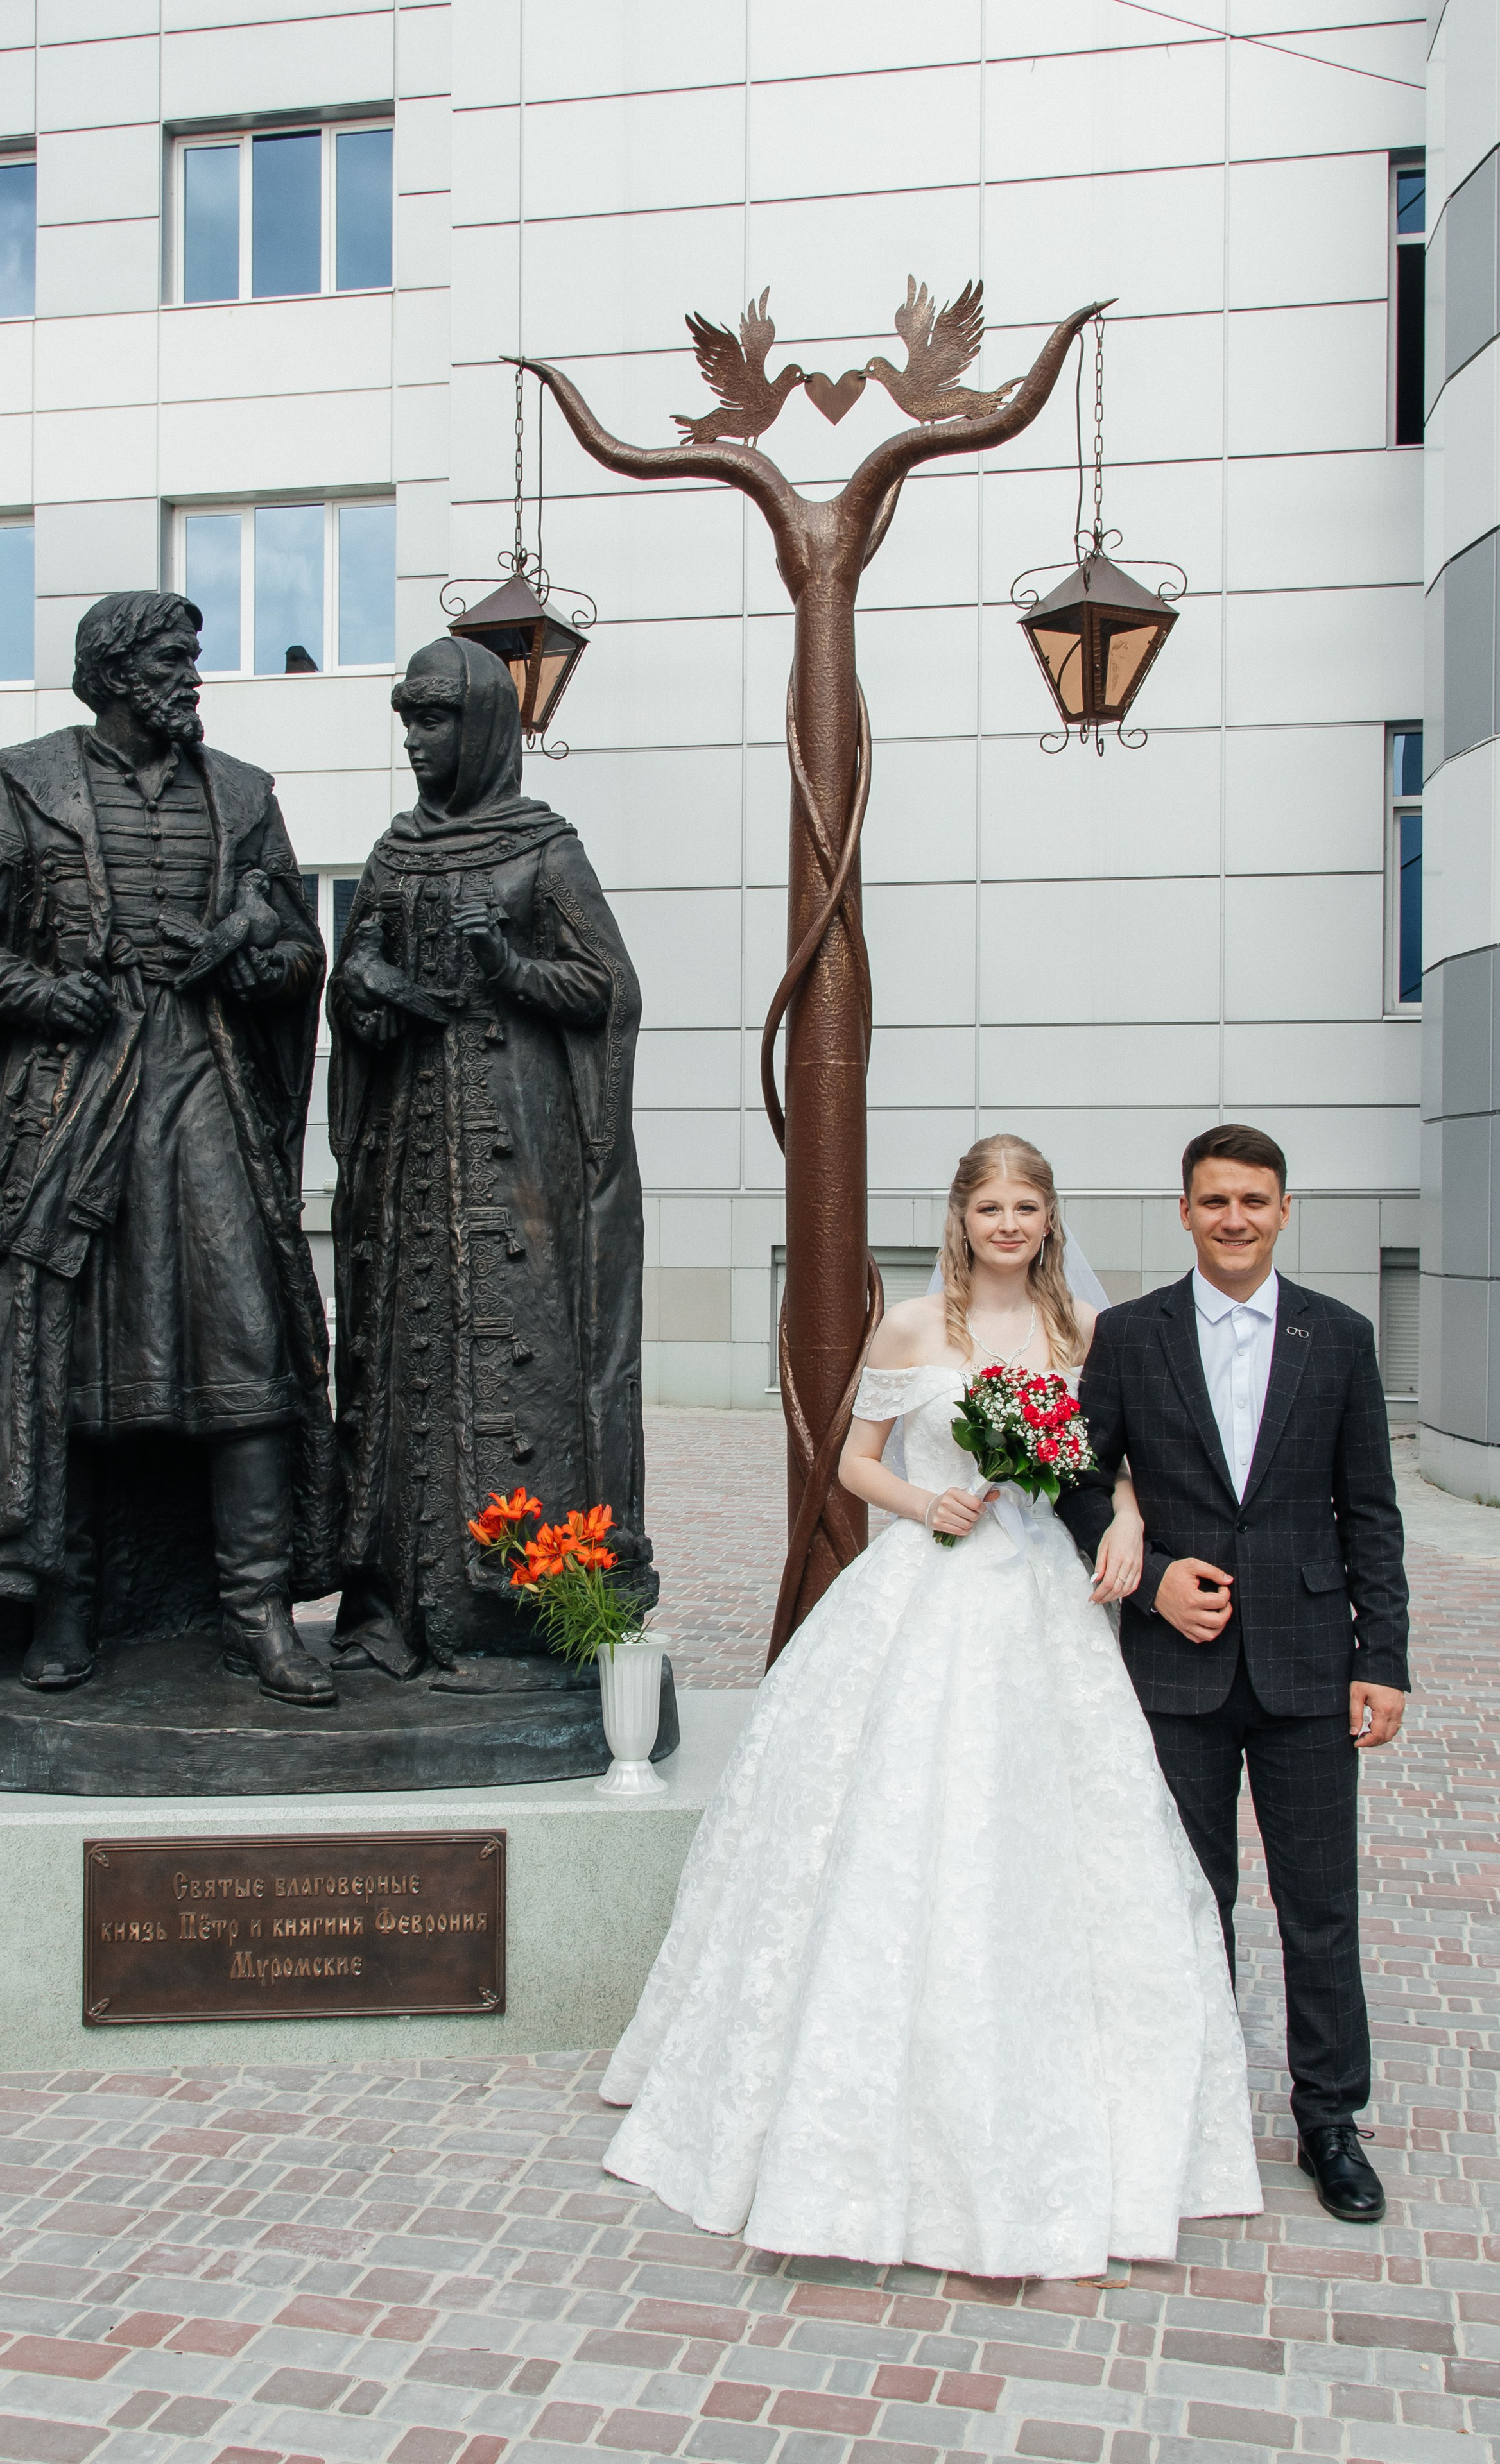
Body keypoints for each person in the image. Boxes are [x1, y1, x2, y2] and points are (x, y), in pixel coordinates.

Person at [599, 1134, 1261, 2279]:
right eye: (991, 1207)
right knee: (895, 1819)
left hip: (1044, 1594)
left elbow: (1120, 1461)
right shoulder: (911, 1325)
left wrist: (1130, 1520)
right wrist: (926, 1503)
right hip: (930, 1586)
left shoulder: (1083, 1335)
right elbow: (852, 1461)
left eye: (1029, 1207)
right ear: (961, 1217)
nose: (1010, 1225)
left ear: (1051, 1220)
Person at [0, 592, 338, 1707]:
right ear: (116, 673)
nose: (193, 679)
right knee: (67, 1362)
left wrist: (235, 953)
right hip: (74, 1114)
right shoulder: (26, 789)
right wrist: (55, 995)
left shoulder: (241, 796)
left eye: (193, 661)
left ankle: (259, 1614)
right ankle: (65, 1605)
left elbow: (296, 955)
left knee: (247, 1344)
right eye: (174, 661)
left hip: (207, 1100)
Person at [1056, 1123, 1409, 2225]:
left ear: (1285, 1210)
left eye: (1254, 1201)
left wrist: (1382, 1659)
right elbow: (1076, 1477)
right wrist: (1151, 1575)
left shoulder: (1340, 1337)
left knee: (1318, 1906)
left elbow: (1374, 1516)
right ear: (1185, 1212)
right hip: (1177, 1668)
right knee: (1187, 1899)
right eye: (1215, 1202)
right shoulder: (1129, 1335)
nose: (1236, 1219)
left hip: (1310, 1668)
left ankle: (1328, 2122)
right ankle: (1190, 2106)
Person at [325, 636, 655, 1682]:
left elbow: (609, 991)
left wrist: (505, 965)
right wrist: (374, 990)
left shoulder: (543, 850)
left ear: (482, 729)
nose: (418, 743)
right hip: (410, 1158)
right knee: (402, 1357)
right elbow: (355, 967)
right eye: (408, 722)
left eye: (435, 722)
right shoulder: (393, 850)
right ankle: (396, 1608)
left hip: (518, 1163)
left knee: (515, 1363)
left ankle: (518, 1610)